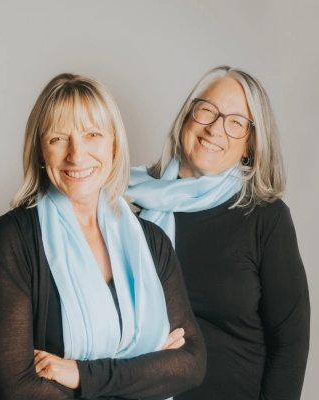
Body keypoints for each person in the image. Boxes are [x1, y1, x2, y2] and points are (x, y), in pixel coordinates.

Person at [0, 73, 206, 399]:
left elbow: (191, 363)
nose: (76, 155)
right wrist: (146, 370)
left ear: (114, 144)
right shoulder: (11, 241)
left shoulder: (152, 243)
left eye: (92, 135)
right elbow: (14, 388)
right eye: (58, 139)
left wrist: (81, 375)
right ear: (40, 151)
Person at [126, 65, 310, 399]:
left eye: (236, 122)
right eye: (208, 111)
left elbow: (290, 343)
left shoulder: (265, 217)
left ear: (251, 144)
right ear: (187, 115)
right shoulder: (124, 198)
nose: (215, 129)